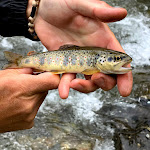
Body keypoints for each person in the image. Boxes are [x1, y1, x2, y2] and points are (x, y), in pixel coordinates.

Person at [0, 0, 133, 132]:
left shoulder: (97, 61)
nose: (120, 61)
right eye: (116, 59)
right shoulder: (94, 66)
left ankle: (18, 62)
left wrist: (33, 9)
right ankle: (17, 62)